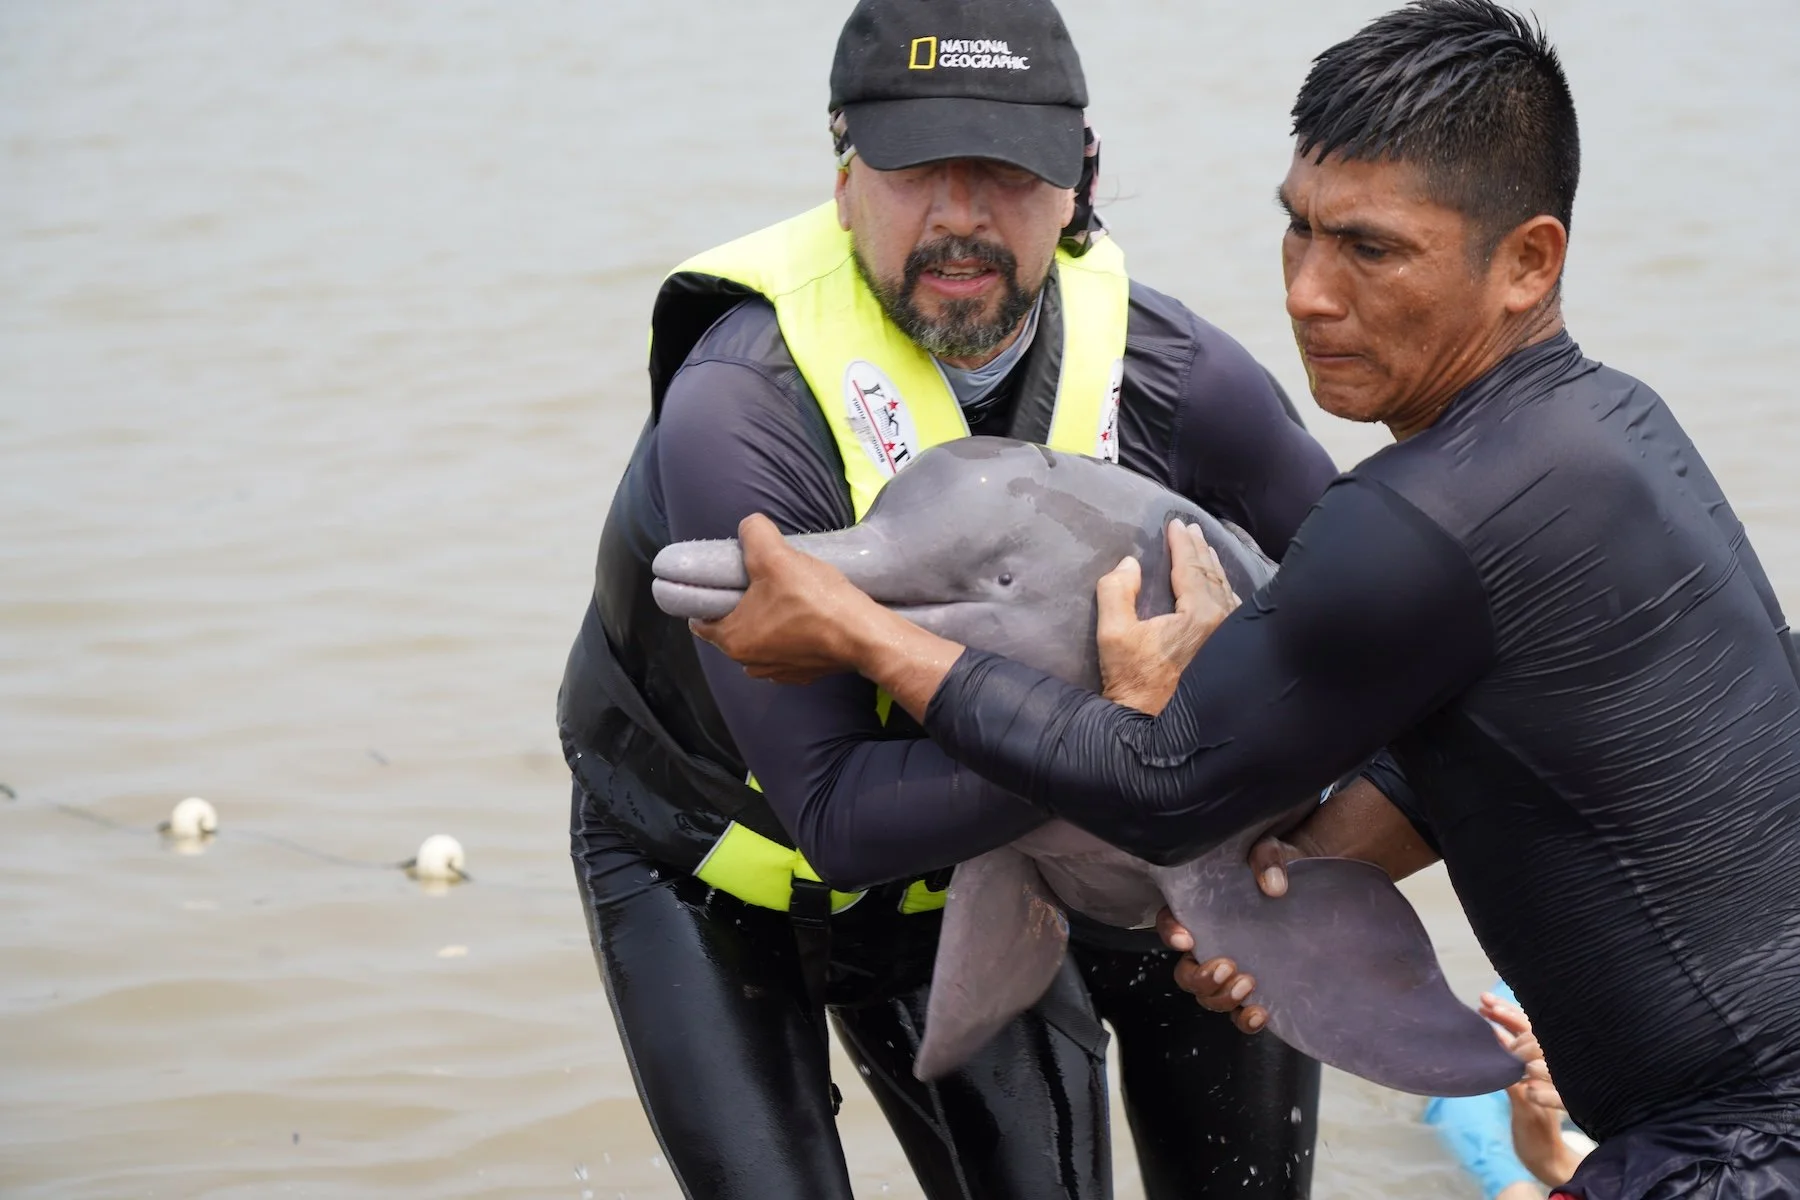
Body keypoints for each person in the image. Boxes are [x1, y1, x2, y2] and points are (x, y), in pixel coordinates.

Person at [692, 2, 1800, 1197]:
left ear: (1529, 262)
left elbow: (1161, 788)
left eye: (1371, 251)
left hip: (1734, 1154)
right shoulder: (1615, 425)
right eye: (1297, 231)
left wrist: (859, 631)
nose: (1310, 294)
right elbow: (1472, 752)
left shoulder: (1415, 520)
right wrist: (1287, 881)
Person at [557, 0, 1353, 1195]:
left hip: (978, 857)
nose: (960, 216)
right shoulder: (741, 405)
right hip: (708, 860)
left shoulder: (1174, 376)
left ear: (1079, 184)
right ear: (843, 181)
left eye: (1008, 172)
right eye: (915, 169)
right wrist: (1143, 739)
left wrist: (1291, 848)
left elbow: (1377, 631)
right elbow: (834, 812)